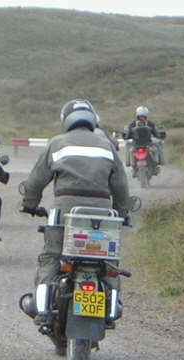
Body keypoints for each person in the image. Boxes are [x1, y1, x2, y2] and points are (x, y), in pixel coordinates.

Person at [19, 98, 131, 325]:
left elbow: (35, 182)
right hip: (102, 214)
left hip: (64, 212)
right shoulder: (107, 146)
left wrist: (30, 203)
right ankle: (112, 304)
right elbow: (120, 187)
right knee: (108, 263)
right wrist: (122, 212)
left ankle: (42, 307)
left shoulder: (57, 144)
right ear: (92, 119)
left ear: (65, 120)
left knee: (51, 256)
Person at [123, 105, 166, 173]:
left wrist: (126, 136)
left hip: (143, 145)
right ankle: (132, 165)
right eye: (141, 116)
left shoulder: (134, 124)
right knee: (155, 149)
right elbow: (156, 134)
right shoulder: (149, 124)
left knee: (155, 149)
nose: (142, 118)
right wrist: (160, 136)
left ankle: (156, 163)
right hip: (142, 145)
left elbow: (128, 135)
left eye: (143, 116)